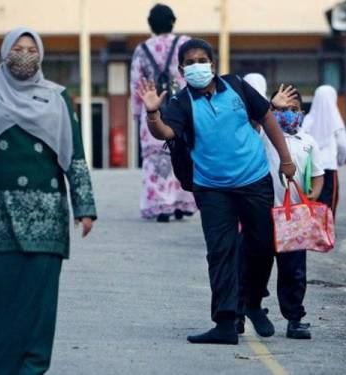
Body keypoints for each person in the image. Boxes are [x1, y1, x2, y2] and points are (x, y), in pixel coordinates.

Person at [0, 28, 97, 374]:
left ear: (42, 55)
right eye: (17, 48)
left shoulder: (58, 96)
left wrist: (85, 206)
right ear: (4, 53)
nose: (24, 54)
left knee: (39, 305)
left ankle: (33, 369)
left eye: (32, 49)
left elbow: (74, 155)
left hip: (47, 218)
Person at [136, 38, 297, 345]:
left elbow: (266, 117)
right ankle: (225, 321)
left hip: (254, 179)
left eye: (202, 60)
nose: (197, 66)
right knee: (220, 252)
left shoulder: (235, 86)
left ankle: (251, 303)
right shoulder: (181, 103)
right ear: (182, 69)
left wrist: (286, 160)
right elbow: (167, 133)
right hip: (212, 188)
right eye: (190, 62)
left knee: (262, 247)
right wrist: (153, 114)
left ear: (212, 64)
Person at [245, 83, 324, 340]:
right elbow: (255, 122)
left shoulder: (308, 141)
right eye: (283, 109)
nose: (288, 113)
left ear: (302, 113)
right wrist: (270, 107)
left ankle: (294, 319)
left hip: (294, 217)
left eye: (294, 109)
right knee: (257, 264)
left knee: (294, 270)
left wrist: (313, 194)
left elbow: (319, 174)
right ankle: (246, 307)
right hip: (265, 213)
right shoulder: (266, 136)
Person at [130, 3, 197, 222]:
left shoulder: (142, 49)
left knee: (154, 160)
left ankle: (160, 206)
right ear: (172, 21)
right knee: (181, 154)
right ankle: (181, 203)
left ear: (151, 25)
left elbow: (135, 84)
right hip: (180, 109)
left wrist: (138, 114)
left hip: (153, 110)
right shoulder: (184, 43)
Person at [302, 85, 346, 217]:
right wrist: (340, 160)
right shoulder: (336, 121)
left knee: (311, 203)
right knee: (329, 206)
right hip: (329, 167)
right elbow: (343, 146)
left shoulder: (307, 120)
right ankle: (327, 234)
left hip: (311, 169)